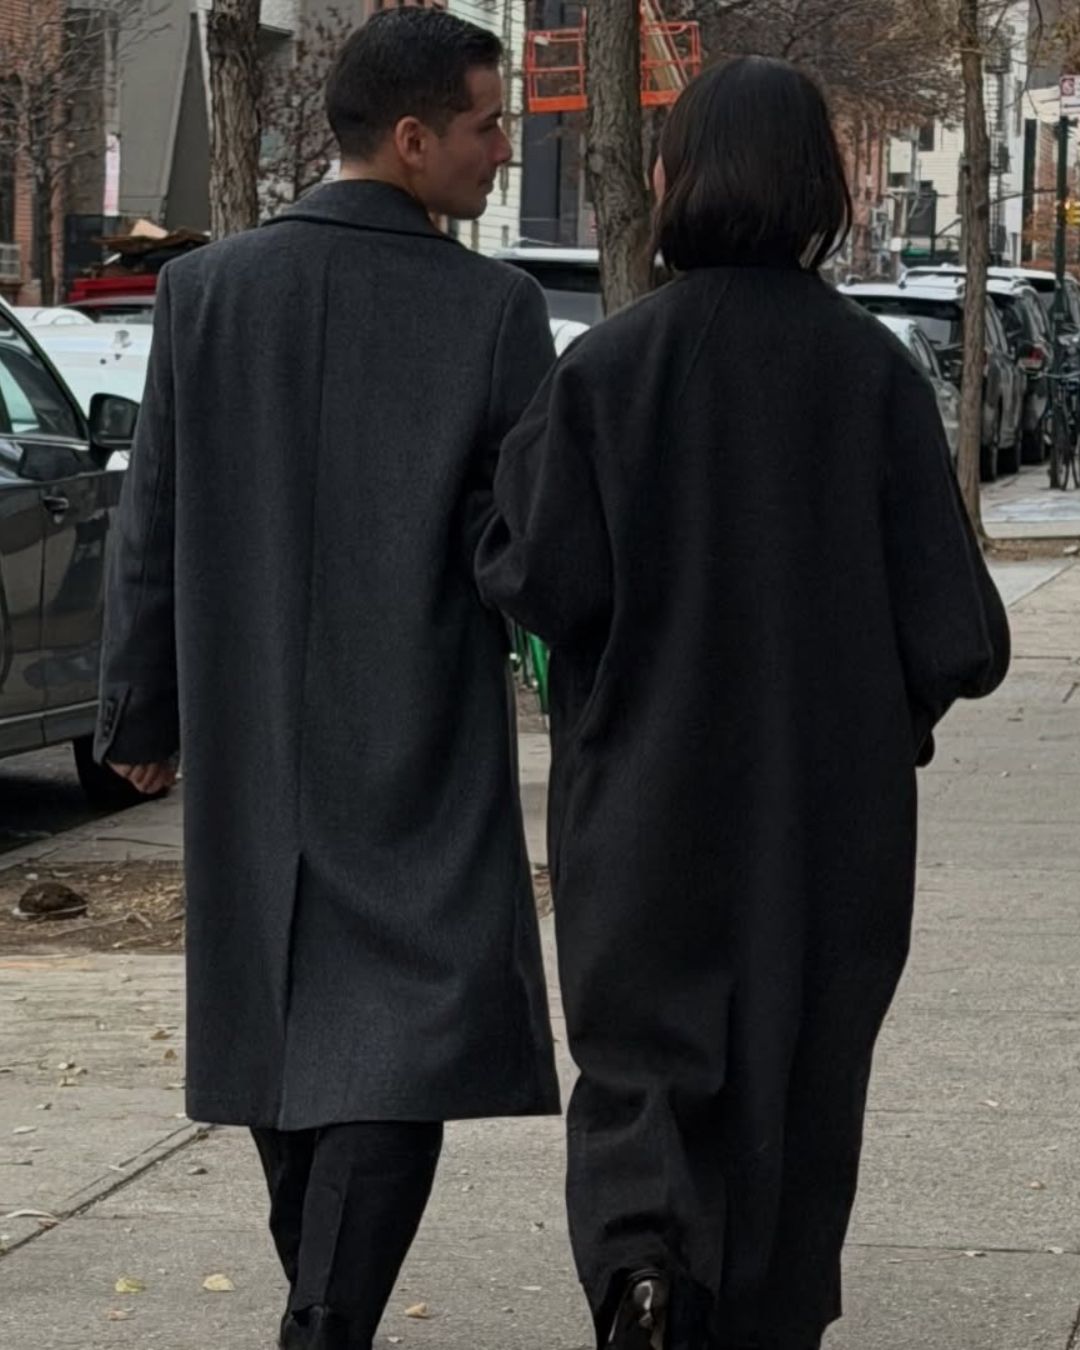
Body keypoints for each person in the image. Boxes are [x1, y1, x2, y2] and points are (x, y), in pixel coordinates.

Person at [476, 57, 1010, 1350]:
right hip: (827, 812)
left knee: (640, 1064)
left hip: (644, 797)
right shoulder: (871, 375)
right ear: (821, 189)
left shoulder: (607, 372)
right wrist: (890, 711)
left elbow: (538, 575)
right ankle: (765, 1307)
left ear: (671, 181)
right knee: (800, 1076)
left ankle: (646, 1258)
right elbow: (961, 631)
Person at [95, 10, 560, 1348]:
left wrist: (144, 705)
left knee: (290, 1041)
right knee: (393, 1047)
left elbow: (154, 520)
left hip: (253, 736)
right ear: (413, 140)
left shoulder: (206, 291)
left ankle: (324, 1301)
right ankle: (327, 1315)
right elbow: (522, 541)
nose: (498, 150)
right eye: (485, 127)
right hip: (413, 727)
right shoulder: (494, 309)